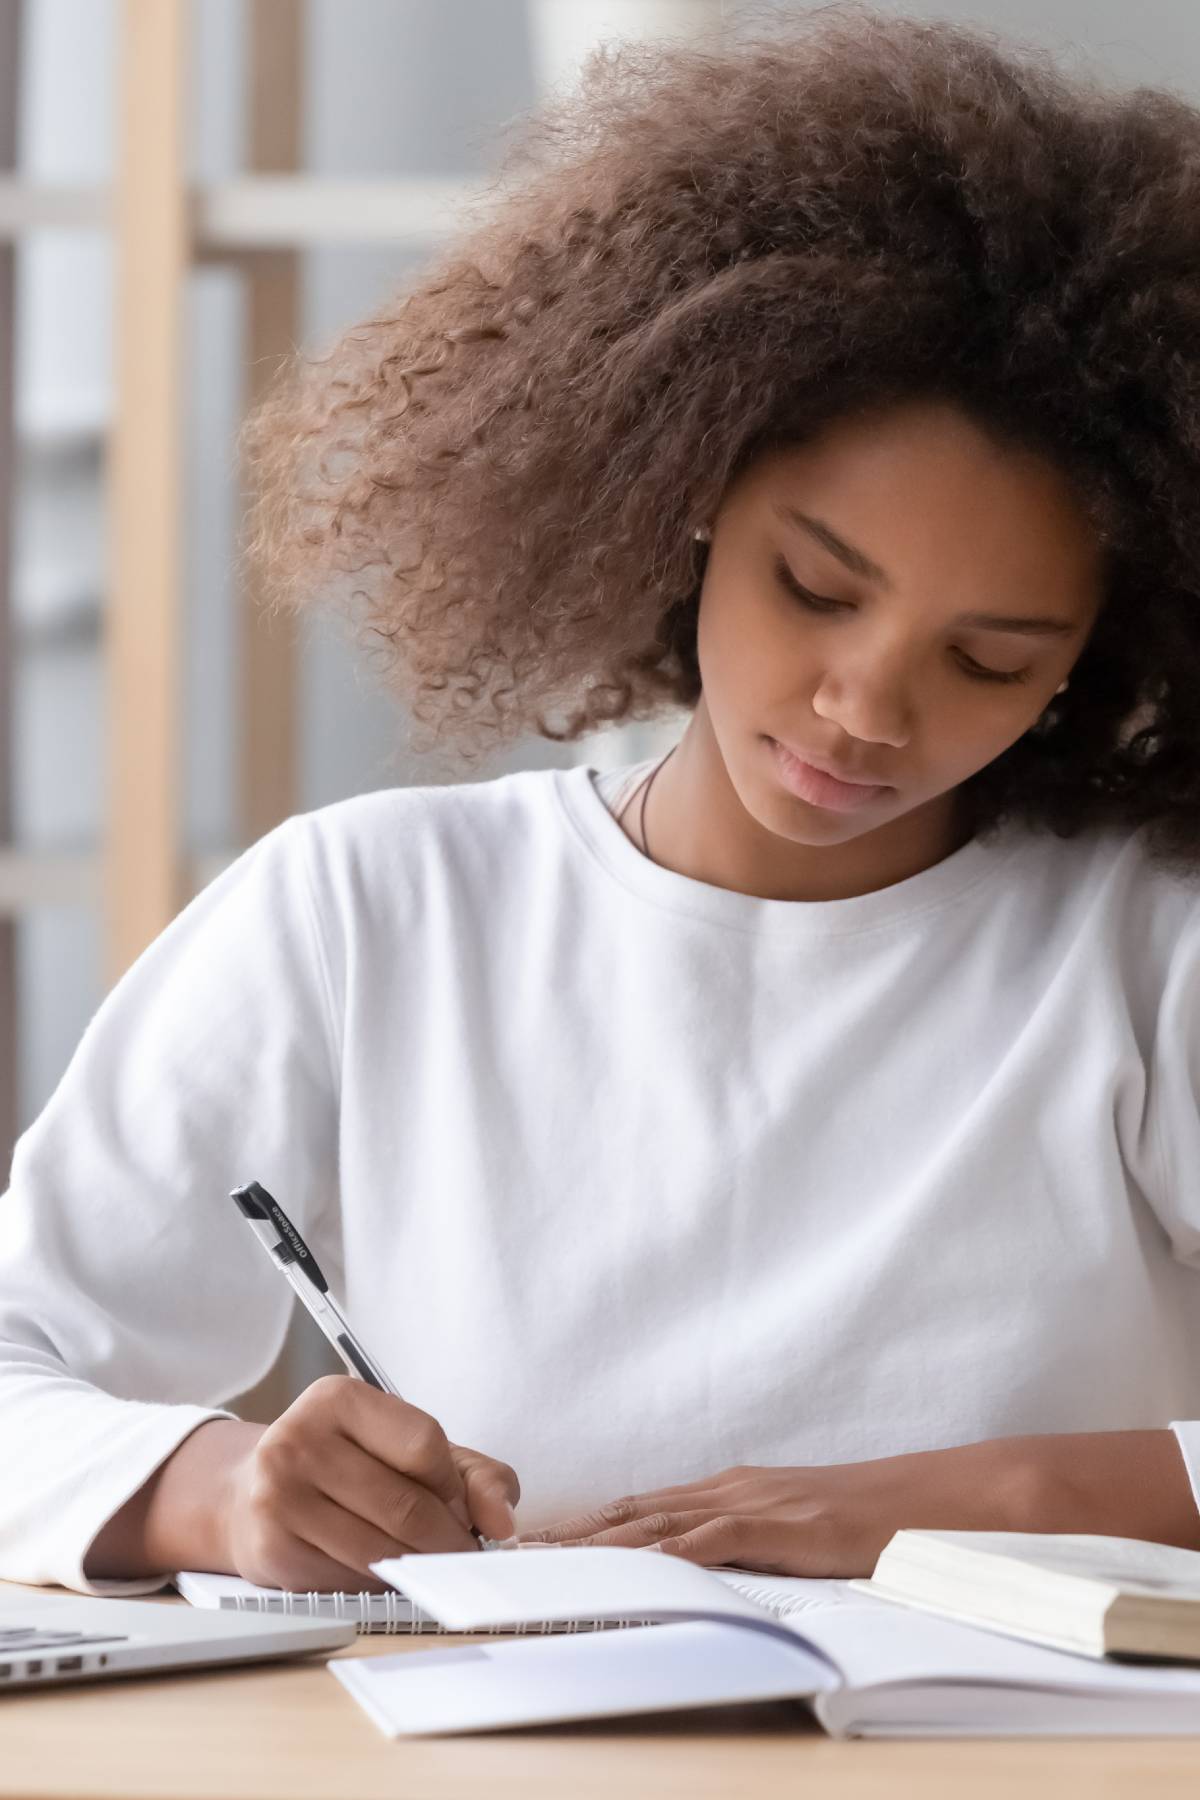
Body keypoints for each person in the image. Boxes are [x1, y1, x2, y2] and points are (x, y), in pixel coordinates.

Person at [3, 6, 1200, 1599]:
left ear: (1090, 663)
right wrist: (214, 1489)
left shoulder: (1146, 942)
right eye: (815, 587)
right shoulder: (368, 911)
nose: (866, 709)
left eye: (989, 658)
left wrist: (987, 1494)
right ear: (685, 495)